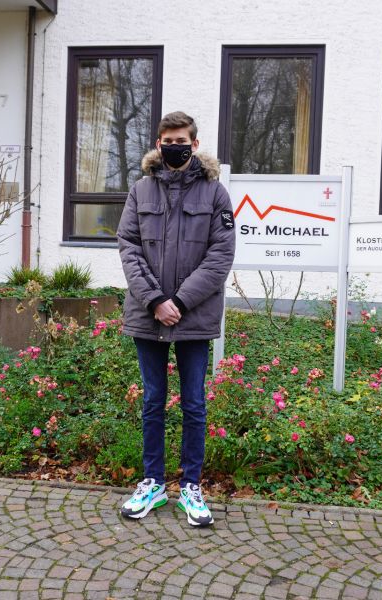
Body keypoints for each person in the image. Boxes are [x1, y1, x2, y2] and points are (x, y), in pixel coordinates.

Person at [116, 111, 235, 527]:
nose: (174, 146)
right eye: (167, 140)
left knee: (194, 403)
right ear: (159, 143)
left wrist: (179, 302)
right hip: (148, 317)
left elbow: (220, 256)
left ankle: (190, 486)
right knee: (152, 401)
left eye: (181, 139)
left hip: (193, 317)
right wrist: (154, 301)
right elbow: (128, 247)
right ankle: (151, 482)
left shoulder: (215, 194)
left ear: (194, 144)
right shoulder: (140, 191)